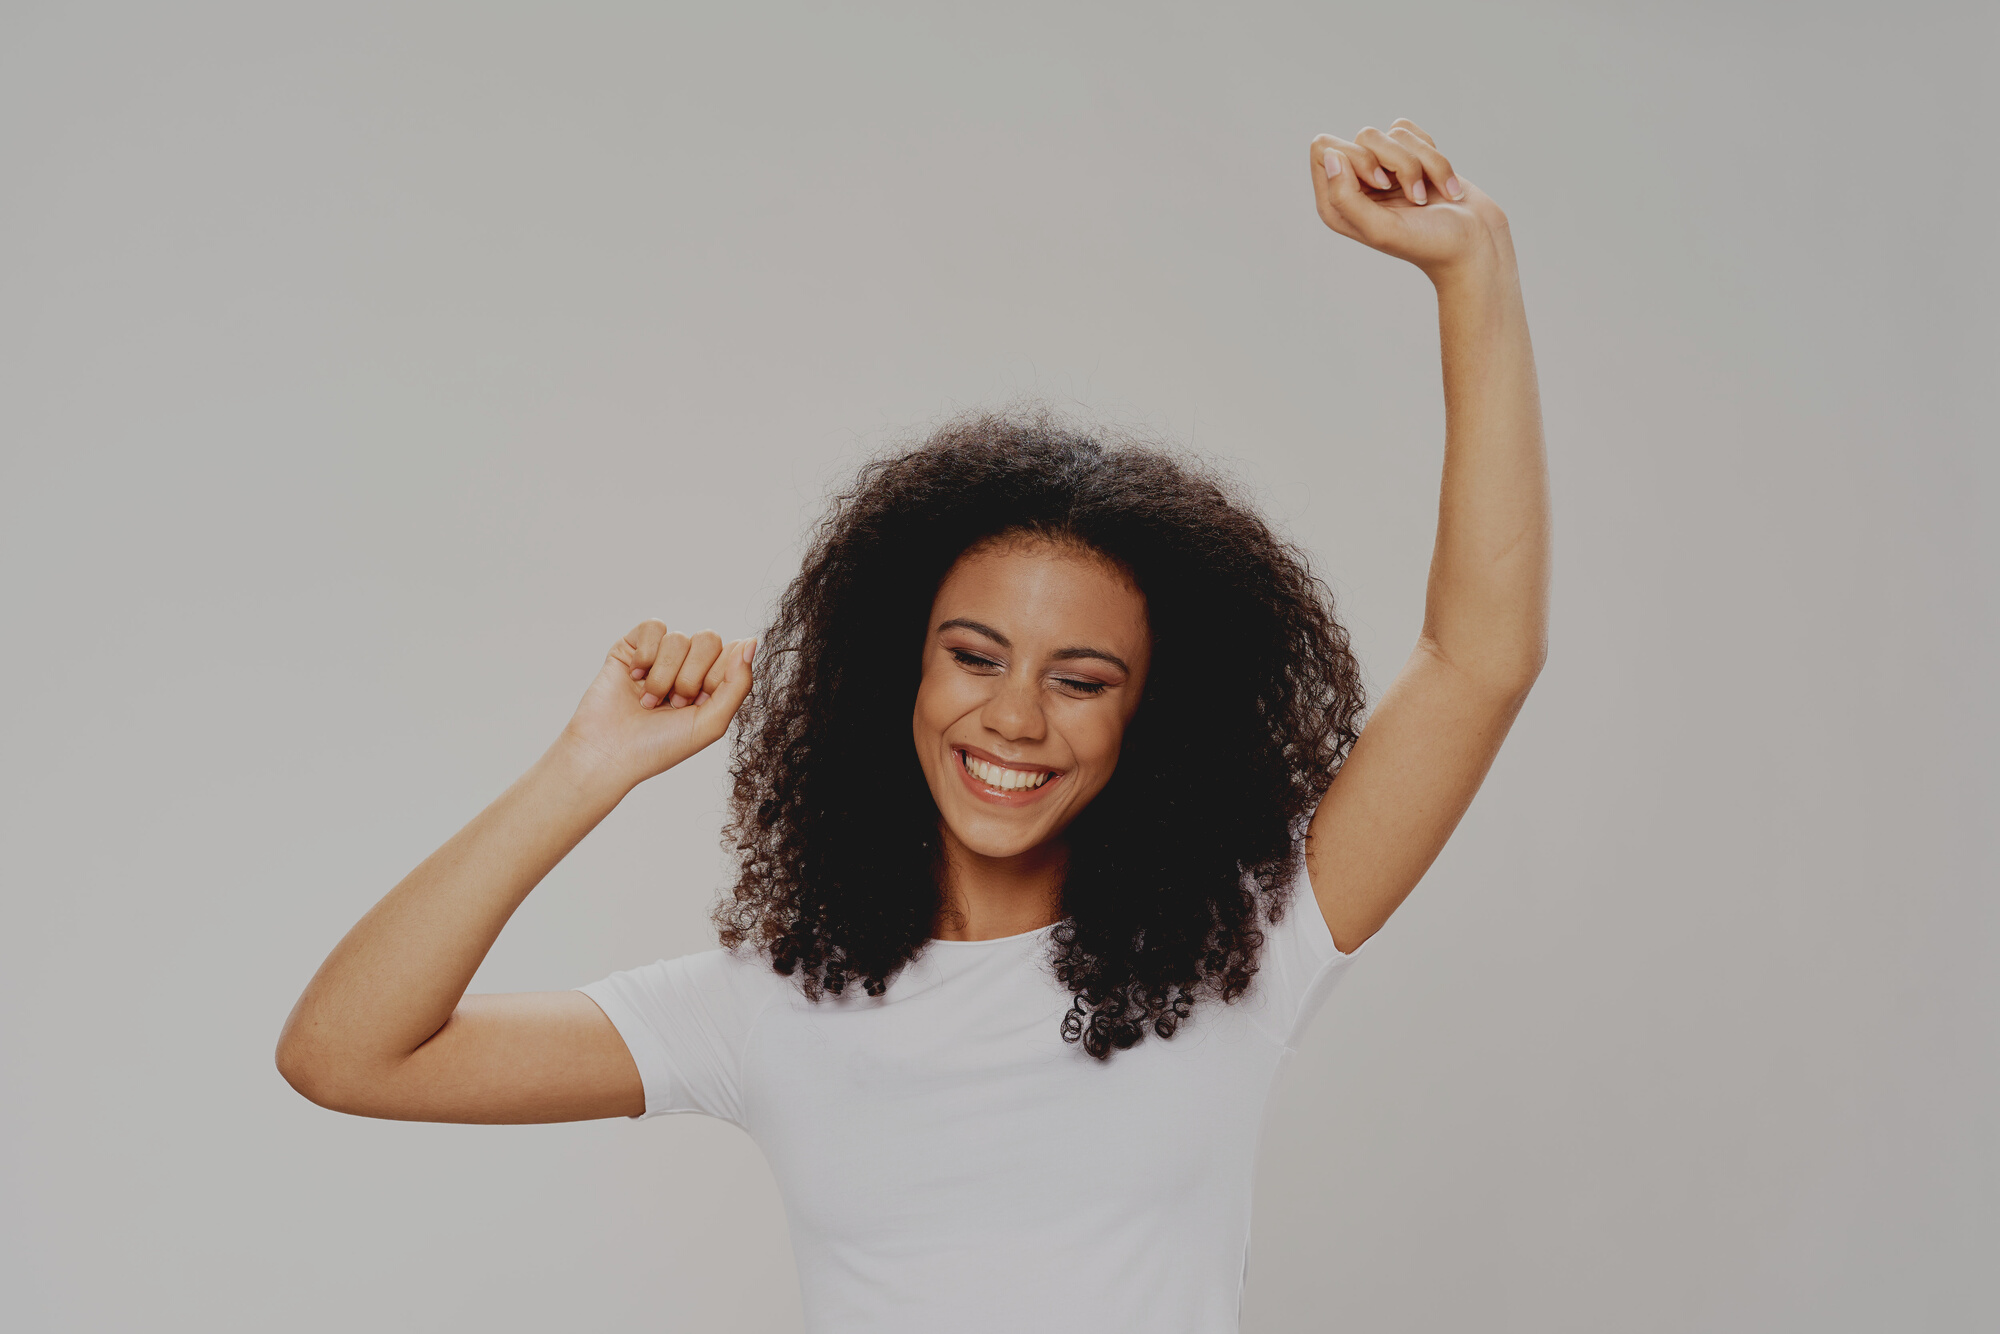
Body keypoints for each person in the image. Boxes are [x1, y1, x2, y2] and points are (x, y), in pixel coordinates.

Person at [277, 119, 1549, 1332]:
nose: (1012, 716)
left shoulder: (1247, 945)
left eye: (1081, 677)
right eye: (974, 654)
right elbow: (347, 1054)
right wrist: (585, 767)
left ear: (1149, 715)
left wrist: (1471, 269)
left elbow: (1475, 657)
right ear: (899, 666)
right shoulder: (769, 1002)